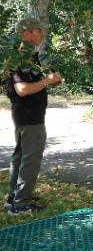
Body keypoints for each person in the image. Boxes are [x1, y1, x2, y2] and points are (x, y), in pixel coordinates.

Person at [5, 18, 63, 215]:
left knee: (21, 156)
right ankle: (21, 203)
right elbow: (22, 89)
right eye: (39, 31)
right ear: (26, 33)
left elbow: (53, 78)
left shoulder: (33, 58)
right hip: (28, 115)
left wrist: (52, 79)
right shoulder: (18, 60)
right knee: (30, 158)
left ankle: (13, 196)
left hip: (30, 114)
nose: (42, 34)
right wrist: (48, 80)